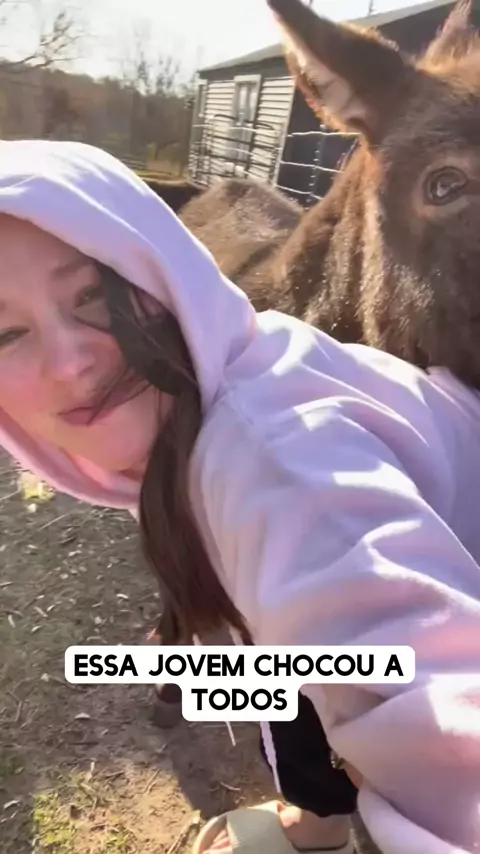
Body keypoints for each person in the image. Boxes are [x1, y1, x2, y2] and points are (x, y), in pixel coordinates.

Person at [0, 139, 479, 854]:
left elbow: (435, 698)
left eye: (93, 295)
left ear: (161, 271)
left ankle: (314, 823)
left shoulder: (272, 462)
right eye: (6, 333)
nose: (70, 364)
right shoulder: (233, 374)